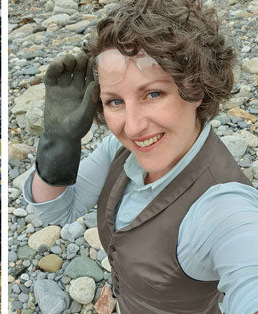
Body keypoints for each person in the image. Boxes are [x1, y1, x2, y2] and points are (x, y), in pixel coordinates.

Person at [25, 0, 258, 312]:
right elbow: (57, 213)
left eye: (153, 94)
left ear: (198, 88)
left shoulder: (224, 208)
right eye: (115, 101)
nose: (132, 128)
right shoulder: (119, 150)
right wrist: (58, 143)